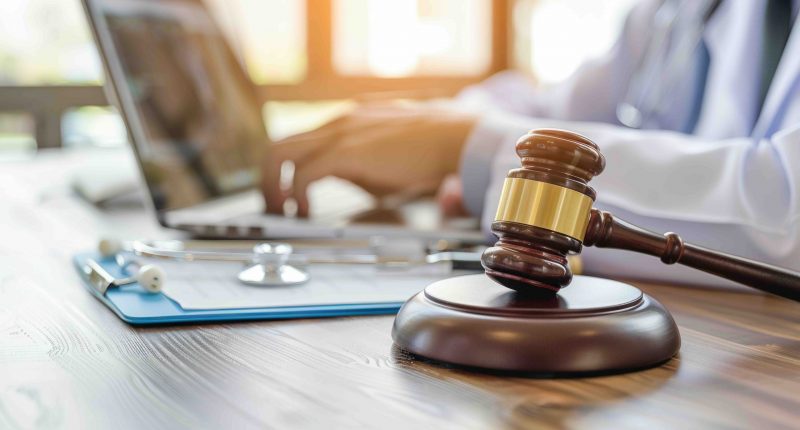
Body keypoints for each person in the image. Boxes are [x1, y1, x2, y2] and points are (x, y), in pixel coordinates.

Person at [263, 0, 800, 288]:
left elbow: (785, 211)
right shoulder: (680, 10)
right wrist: (439, 129)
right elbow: (554, 108)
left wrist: (464, 146)